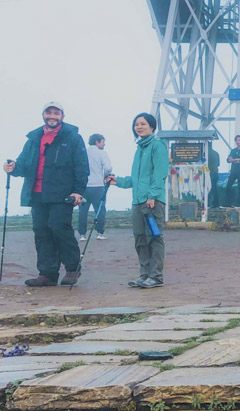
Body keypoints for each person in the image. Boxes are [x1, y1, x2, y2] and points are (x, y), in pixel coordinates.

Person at [3, 102, 88, 286]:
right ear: (43, 115)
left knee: (59, 228)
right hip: (37, 194)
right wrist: (13, 167)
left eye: (56, 113)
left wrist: (78, 191)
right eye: (48, 112)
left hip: (62, 193)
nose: (52, 116)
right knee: (41, 232)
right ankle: (48, 274)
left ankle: (73, 269)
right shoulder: (33, 139)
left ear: (62, 116)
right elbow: (24, 165)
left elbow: (82, 167)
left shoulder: (73, 138)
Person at [107, 113, 168, 288]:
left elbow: (160, 173)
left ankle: (156, 276)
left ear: (152, 126)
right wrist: (118, 181)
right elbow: (136, 179)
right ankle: (145, 274)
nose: (139, 127)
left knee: (154, 238)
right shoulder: (139, 149)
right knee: (140, 238)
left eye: (143, 124)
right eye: (136, 125)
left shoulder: (157, 146)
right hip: (137, 201)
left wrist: (153, 195)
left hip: (152, 201)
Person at [78, 133, 113, 242]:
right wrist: (105, 175)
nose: (104, 144)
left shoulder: (83, 152)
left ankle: (82, 234)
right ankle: (99, 232)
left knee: (83, 211)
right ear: (97, 142)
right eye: (103, 141)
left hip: (84, 186)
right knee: (100, 210)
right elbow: (108, 168)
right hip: (97, 186)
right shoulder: (101, 153)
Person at [225, 135, 240, 206]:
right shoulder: (233, 150)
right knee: (228, 186)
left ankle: (238, 203)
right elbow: (228, 160)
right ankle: (228, 202)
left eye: (239, 140)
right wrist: (235, 159)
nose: (238, 142)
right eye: (236, 140)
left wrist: (233, 159)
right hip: (233, 171)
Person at [207, 144, 221, 208]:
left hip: (209, 173)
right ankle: (216, 203)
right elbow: (218, 164)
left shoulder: (205, 154)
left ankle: (208, 203)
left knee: (208, 188)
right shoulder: (216, 153)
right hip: (216, 173)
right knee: (215, 188)